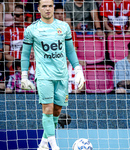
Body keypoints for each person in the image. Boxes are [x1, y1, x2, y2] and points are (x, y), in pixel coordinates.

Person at [21, 0, 84, 150]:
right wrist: (24, 76)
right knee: (47, 111)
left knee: (56, 112)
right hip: (44, 76)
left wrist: (78, 69)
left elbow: (70, 50)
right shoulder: (31, 29)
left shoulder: (63, 27)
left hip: (62, 77)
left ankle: (43, 144)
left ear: (53, 7)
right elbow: (25, 54)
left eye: (50, 6)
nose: (47, 9)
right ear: (38, 8)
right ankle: (54, 147)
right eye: (44, 6)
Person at [4, 4, 29, 69]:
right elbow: (6, 54)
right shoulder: (8, 30)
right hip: (14, 62)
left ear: (24, 16)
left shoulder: (31, 28)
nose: (14, 17)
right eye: (13, 14)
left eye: (17, 15)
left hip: (30, 61)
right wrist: (17, 61)